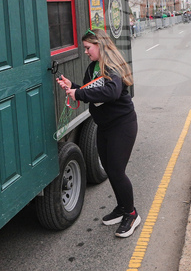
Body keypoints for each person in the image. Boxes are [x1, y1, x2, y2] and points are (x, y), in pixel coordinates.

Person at [57, 30, 141, 238]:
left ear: (100, 45)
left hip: (122, 126)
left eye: (88, 48)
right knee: (111, 170)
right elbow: (89, 90)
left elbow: (111, 92)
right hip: (104, 126)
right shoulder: (93, 67)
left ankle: (131, 214)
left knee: (116, 170)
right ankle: (122, 208)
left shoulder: (113, 67)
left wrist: (79, 93)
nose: (86, 52)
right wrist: (73, 87)